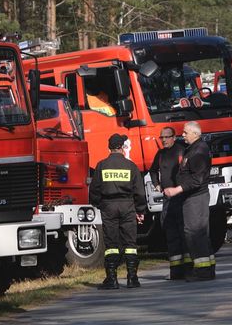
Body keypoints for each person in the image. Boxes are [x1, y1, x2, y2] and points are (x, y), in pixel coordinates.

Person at [89, 133, 146, 289]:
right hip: (128, 206)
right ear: (122, 147)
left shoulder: (101, 165)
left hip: (108, 206)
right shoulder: (131, 166)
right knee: (130, 243)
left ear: (109, 147)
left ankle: (112, 279)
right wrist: (140, 210)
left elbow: (94, 190)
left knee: (111, 243)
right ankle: (132, 278)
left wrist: (98, 204)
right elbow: (140, 192)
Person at [164, 121, 215, 282]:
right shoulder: (193, 149)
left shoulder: (198, 151)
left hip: (195, 197)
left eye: (185, 132)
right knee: (199, 233)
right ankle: (207, 268)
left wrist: (177, 189)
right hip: (192, 197)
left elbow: (197, 179)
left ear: (195, 134)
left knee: (195, 233)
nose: (183, 135)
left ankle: (203, 272)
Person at [148, 126, 189, 280]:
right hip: (167, 199)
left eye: (166, 137)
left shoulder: (181, 151)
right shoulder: (160, 154)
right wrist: (156, 184)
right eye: (161, 137)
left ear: (174, 136)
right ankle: (176, 271)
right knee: (170, 233)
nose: (164, 140)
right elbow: (152, 171)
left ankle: (188, 269)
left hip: (181, 197)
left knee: (183, 233)